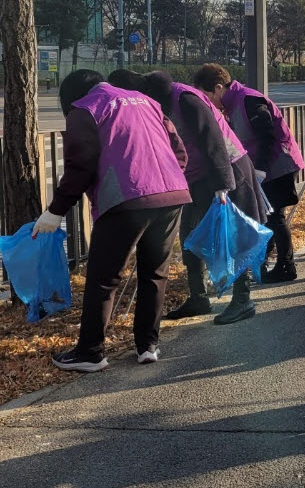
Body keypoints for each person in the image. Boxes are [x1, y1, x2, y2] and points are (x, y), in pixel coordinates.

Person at [41, 71, 191, 372]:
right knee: (155, 273)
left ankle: (90, 352)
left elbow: (79, 165)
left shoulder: (86, 108)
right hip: (172, 194)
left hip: (127, 197)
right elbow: (179, 152)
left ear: (73, 95)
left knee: (103, 277)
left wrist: (55, 211)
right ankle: (148, 345)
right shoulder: (148, 102)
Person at [109, 69, 264, 325]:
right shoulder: (152, 103)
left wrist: (223, 185)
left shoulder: (184, 98)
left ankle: (242, 299)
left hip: (227, 169)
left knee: (231, 235)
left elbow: (212, 139)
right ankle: (199, 297)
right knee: (190, 235)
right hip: (195, 176)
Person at [192, 64, 305, 283]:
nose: (207, 102)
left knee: (275, 216)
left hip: (277, 164)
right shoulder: (233, 103)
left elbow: (267, 136)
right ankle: (264, 264)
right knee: (267, 217)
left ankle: (286, 266)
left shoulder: (248, 100)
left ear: (218, 88)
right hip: (266, 166)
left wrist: (260, 169)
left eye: (207, 96)